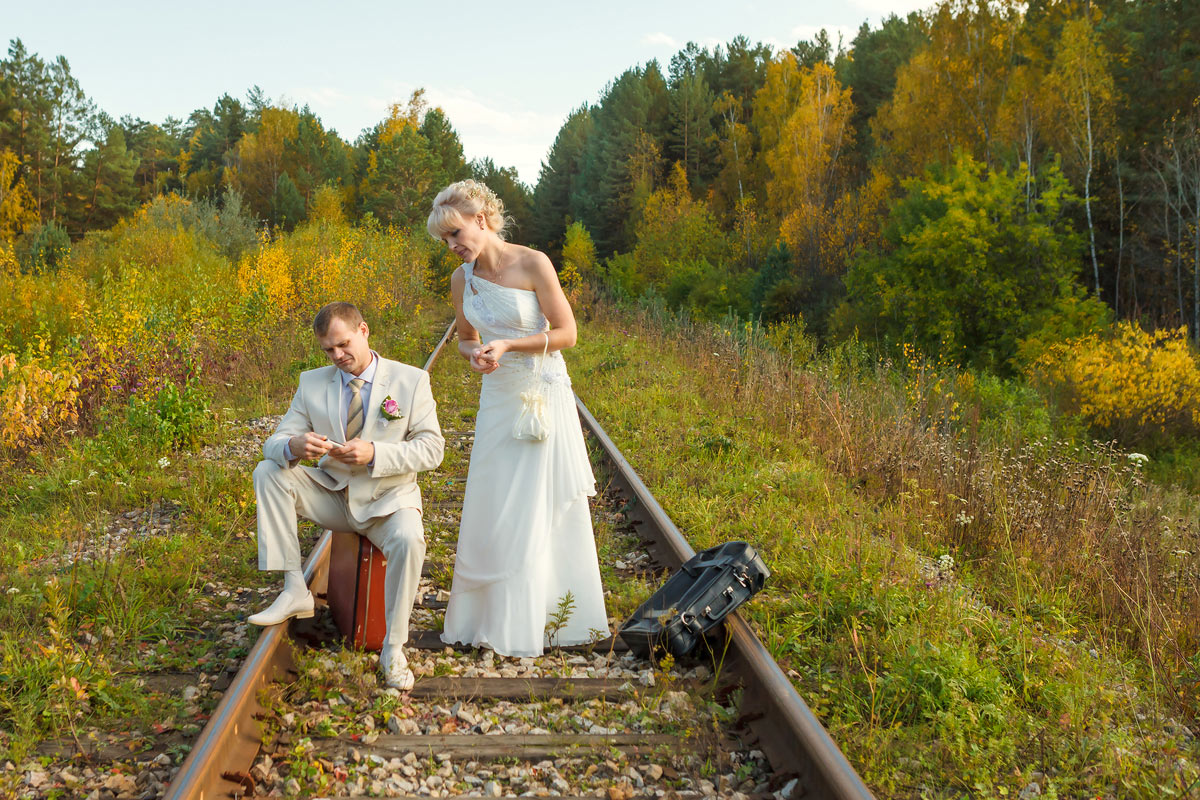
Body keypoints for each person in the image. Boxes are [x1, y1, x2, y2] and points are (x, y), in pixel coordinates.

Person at [426, 179, 608, 657]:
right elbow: (465, 338)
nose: (452, 247)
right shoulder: (460, 281)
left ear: (481, 220)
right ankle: (492, 616)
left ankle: (546, 616)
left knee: (534, 499)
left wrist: (508, 345)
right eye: (445, 241)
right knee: (494, 496)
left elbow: (567, 333)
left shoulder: (533, 263)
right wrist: (474, 355)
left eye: (456, 234)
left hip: (540, 390)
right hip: (498, 395)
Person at [248, 302, 444, 690]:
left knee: (409, 540)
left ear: (364, 330)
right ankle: (293, 589)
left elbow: (433, 449)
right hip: (334, 496)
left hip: (389, 500)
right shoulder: (311, 383)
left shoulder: (411, 381)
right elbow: (273, 442)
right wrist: (294, 445)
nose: (337, 356)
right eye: (328, 350)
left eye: (343, 345)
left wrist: (376, 453)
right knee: (268, 470)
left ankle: (393, 648)